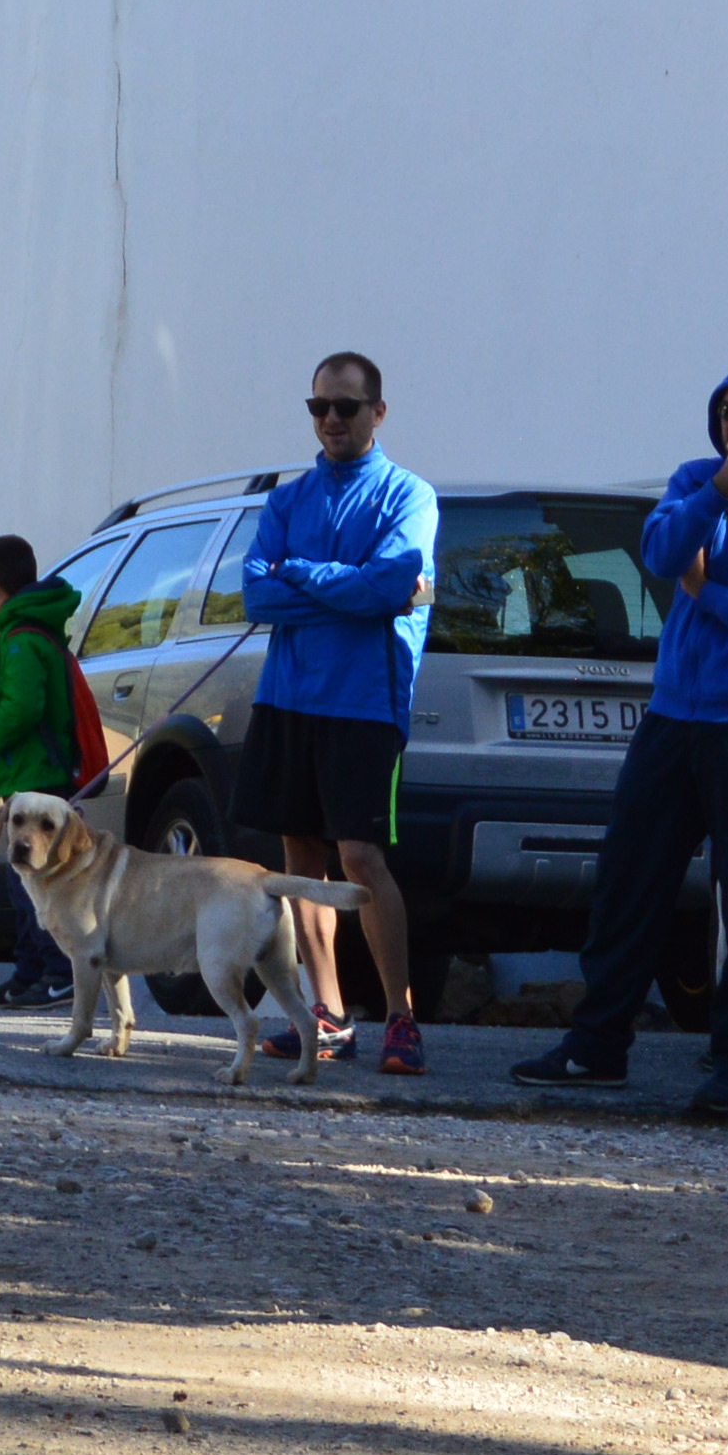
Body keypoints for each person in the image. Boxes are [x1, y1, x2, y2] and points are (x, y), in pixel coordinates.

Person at [515, 359, 728, 1119]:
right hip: (674, 715)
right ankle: (597, 1046)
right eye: (727, 411)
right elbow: (662, 558)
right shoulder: (696, 481)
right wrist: (720, 492)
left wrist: (709, 592)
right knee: (629, 880)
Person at [234, 351, 439, 1074]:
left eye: (345, 407)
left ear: (377, 413)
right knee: (301, 857)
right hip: (288, 696)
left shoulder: (409, 495)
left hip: (365, 701)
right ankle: (328, 1013)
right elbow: (255, 596)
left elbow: (388, 587)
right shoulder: (287, 501)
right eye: (318, 406)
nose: (330, 419)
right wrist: (349, 589)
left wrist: (301, 573)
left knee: (360, 856)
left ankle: (401, 1018)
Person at [0, 533, 84, 1011]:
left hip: (36, 774)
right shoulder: (28, 629)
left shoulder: (18, 637)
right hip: (34, 772)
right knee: (23, 882)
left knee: (39, 880)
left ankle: (58, 973)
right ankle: (29, 972)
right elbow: (15, 688)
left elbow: (24, 705)